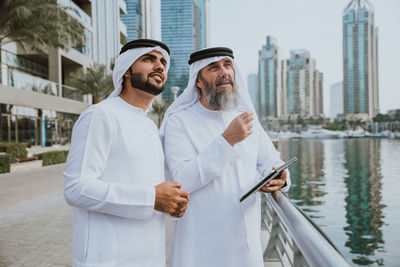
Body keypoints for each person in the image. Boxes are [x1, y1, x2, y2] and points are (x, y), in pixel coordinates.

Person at [160, 47, 291, 267]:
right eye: (214, 67)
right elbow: (181, 181)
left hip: (247, 248)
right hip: (200, 249)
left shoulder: (246, 118)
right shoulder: (179, 121)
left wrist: (282, 177)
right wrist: (227, 140)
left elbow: (272, 162)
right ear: (198, 81)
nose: (224, 72)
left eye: (227, 65)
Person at [63, 39, 189, 267]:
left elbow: (148, 186)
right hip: (108, 258)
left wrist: (169, 203)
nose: (159, 65)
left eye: (163, 61)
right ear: (126, 71)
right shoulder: (101, 115)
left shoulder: (150, 126)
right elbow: (76, 188)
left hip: (150, 256)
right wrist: (152, 198)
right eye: (149, 59)